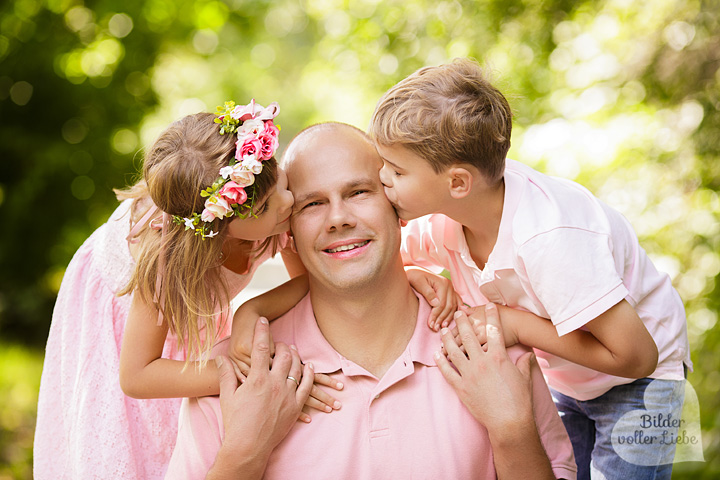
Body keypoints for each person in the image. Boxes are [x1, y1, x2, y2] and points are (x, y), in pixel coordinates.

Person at [34, 102, 453, 480]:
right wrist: (242, 378)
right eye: (269, 206)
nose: (289, 204)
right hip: (129, 345)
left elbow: (312, 280)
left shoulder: (273, 203)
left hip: (182, 339)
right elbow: (137, 377)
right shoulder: (164, 261)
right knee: (141, 451)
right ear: (222, 228)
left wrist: (404, 277)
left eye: (283, 185)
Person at [164, 122, 577, 479]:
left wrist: (512, 431)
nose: (338, 218)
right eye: (313, 204)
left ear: (399, 205)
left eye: (359, 192)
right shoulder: (240, 377)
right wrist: (243, 455)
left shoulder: (493, 350)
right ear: (287, 228)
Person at [369, 58, 692, 479]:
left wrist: (516, 326)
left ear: (458, 182)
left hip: (642, 386)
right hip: (571, 378)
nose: (382, 179)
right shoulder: (446, 220)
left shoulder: (548, 241)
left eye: (396, 170)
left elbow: (637, 357)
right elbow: (384, 261)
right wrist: (414, 273)